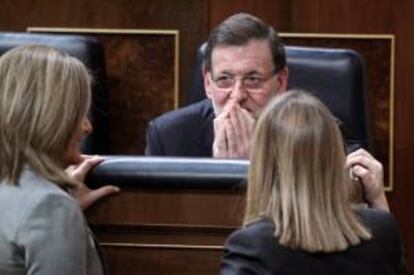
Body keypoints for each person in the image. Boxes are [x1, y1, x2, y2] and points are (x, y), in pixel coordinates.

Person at [145, 12, 390, 212]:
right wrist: (221, 172)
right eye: (225, 79)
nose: (237, 94)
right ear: (208, 83)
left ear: (281, 81)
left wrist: (250, 167)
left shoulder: (319, 133)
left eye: (252, 79)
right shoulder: (168, 136)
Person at [220, 90, 406, 275]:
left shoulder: (251, 246)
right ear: (337, 157)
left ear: (262, 164)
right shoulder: (381, 229)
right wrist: (379, 202)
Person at [0, 45, 116, 274]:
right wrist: (59, 213)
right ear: (51, 119)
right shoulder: (48, 206)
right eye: (79, 113)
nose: (87, 127)